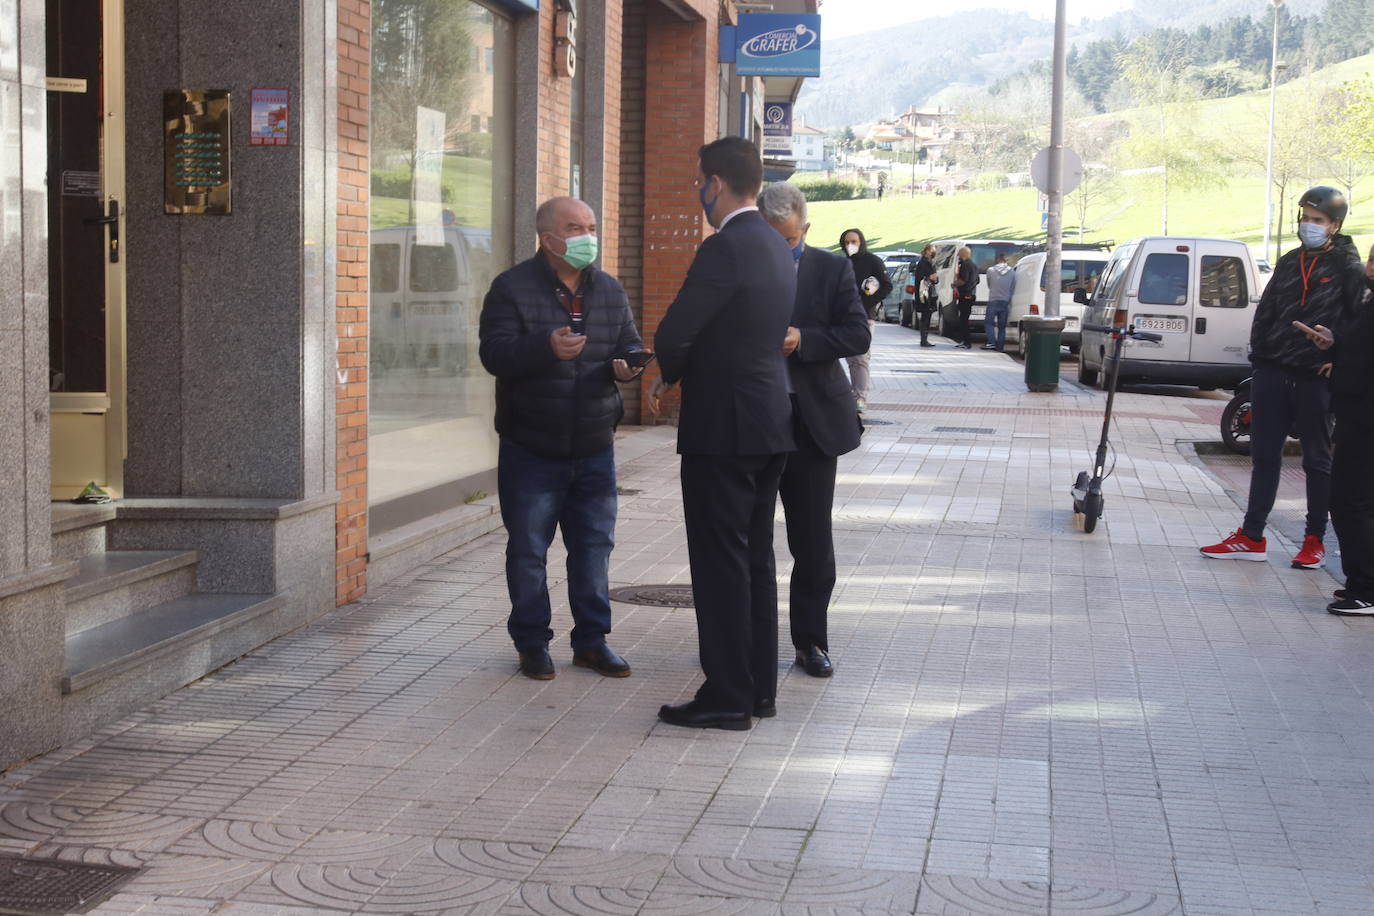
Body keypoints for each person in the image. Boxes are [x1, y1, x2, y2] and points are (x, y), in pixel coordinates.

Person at [649, 137, 796, 730]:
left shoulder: (725, 246)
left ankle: (728, 695)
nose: (698, 195)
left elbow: (677, 328)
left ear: (714, 183)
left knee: (719, 563)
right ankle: (758, 688)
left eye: (697, 184)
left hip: (723, 428)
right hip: (768, 422)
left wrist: (667, 373)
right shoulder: (773, 242)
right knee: (754, 559)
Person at [478, 197, 649, 681]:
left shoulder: (610, 290)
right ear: (548, 238)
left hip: (594, 445)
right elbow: (494, 353)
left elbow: (628, 342)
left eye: (591, 226)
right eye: (575, 227)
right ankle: (532, 643)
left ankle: (592, 642)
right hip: (531, 446)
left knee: (594, 548)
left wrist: (630, 364)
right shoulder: (511, 288)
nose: (586, 236)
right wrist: (544, 346)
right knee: (529, 549)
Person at [1200, 187, 1366, 568]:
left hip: (1315, 377)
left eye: (1317, 220)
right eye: (1305, 218)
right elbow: (1268, 309)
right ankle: (1251, 536)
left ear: (1335, 226)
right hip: (1273, 370)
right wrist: (1260, 358)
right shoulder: (1290, 261)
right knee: (1263, 456)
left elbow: (1360, 323)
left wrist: (1338, 352)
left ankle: (1314, 541)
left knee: (1316, 461)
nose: (1308, 225)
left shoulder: (1348, 268)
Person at [757, 182, 871, 679]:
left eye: (789, 240)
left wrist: (805, 338)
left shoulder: (831, 268)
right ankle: (744, 640)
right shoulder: (740, 263)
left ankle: (810, 641)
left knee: (811, 540)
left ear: (805, 228)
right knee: (748, 538)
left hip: (812, 422)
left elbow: (857, 333)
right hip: (753, 419)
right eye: (771, 239)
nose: (781, 249)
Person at [1294, 244, 1374, 614]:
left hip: (1365, 420)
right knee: (1352, 501)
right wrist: (1335, 345)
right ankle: (1359, 583)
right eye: (1372, 259)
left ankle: (1366, 589)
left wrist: (1340, 366)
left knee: (1349, 501)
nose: (1371, 266)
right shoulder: (1370, 303)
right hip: (1356, 416)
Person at [838, 228, 892, 411]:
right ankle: (854, 395)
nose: (850, 245)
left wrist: (868, 302)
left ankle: (861, 397)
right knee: (851, 359)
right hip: (845, 317)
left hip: (864, 317)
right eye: (846, 242)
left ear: (861, 241)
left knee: (861, 357)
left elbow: (886, 285)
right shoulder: (843, 263)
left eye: (853, 241)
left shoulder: (872, 261)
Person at [982, 252, 1016, 351]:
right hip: (1005, 300)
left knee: (989, 323)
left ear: (997, 260)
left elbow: (989, 284)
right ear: (1006, 261)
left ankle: (992, 342)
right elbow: (1012, 286)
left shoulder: (990, 270)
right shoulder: (1012, 272)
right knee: (1002, 326)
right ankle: (1000, 347)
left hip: (993, 299)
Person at [911, 244, 939, 348]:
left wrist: (935, 278)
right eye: (932, 250)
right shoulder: (923, 263)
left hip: (930, 293)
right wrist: (929, 277)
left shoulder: (931, 262)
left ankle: (925, 339)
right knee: (925, 317)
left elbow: (935, 279)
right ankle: (923, 339)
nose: (933, 253)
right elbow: (920, 278)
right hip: (924, 294)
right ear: (927, 251)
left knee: (928, 316)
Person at [951, 246, 978, 349]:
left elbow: (963, 280)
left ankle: (966, 342)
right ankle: (965, 341)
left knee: (963, 319)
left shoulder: (965, 265)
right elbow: (977, 280)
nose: (958, 256)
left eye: (959, 254)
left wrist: (954, 284)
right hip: (972, 294)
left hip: (965, 294)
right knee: (965, 318)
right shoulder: (974, 265)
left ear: (963, 255)